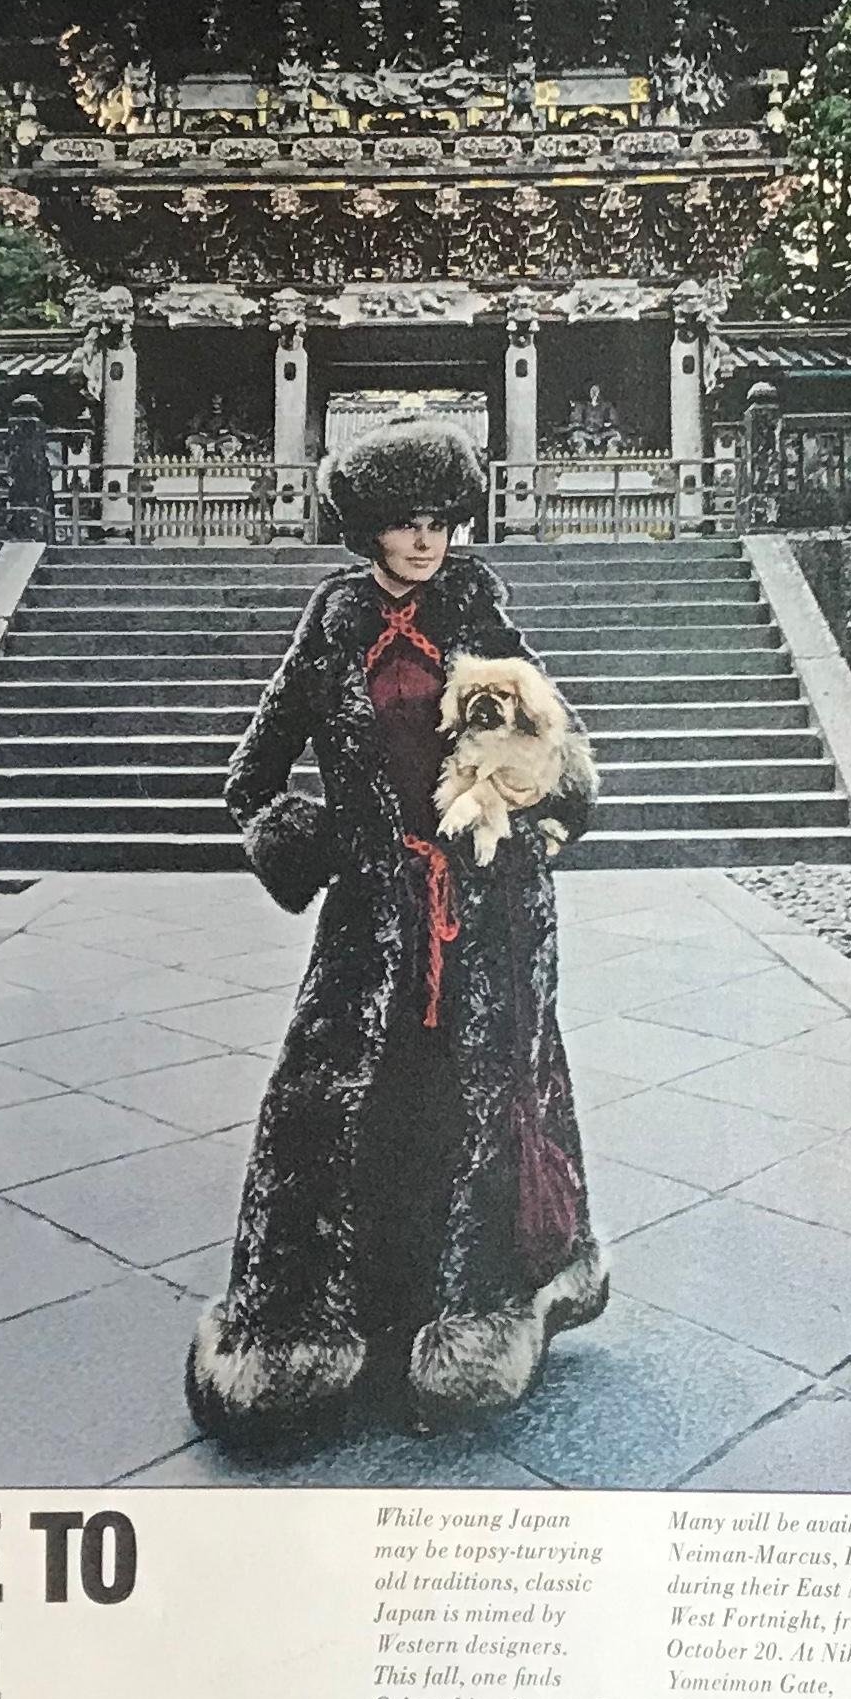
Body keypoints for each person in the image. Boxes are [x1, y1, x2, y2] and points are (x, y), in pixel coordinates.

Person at [187, 425, 610, 1454]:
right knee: (328, 1095)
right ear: (365, 525)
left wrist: (544, 805)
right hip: (374, 907)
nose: (423, 539)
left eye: (438, 520)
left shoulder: (476, 601)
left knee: (481, 1089)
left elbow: (555, 732)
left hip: (490, 896)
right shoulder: (333, 616)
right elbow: (253, 768)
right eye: (402, 521)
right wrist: (309, 838)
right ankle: (299, 1316)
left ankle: (484, 1303)